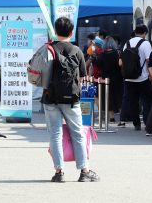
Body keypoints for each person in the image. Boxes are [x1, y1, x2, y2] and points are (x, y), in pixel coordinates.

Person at [43, 17, 99, 182]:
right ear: (72, 32)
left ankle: (59, 172)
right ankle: (84, 171)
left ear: (55, 31)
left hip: (50, 98)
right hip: (71, 98)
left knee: (55, 134)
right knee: (77, 133)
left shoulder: (48, 49)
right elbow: (82, 77)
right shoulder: (77, 51)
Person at [121, 24, 152, 131]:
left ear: (135, 32)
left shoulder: (127, 43)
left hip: (129, 77)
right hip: (142, 77)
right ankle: (151, 122)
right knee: (149, 101)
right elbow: (149, 61)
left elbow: (122, 62)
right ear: (145, 33)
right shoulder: (145, 43)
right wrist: (151, 74)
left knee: (133, 102)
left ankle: (136, 124)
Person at [97, 37, 124, 125]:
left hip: (106, 79)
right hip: (118, 78)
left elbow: (99, 66)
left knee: (108, 98)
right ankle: (122, 116)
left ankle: (111, 117)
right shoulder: (118, 53)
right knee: (119, 97)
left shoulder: (102, 55)